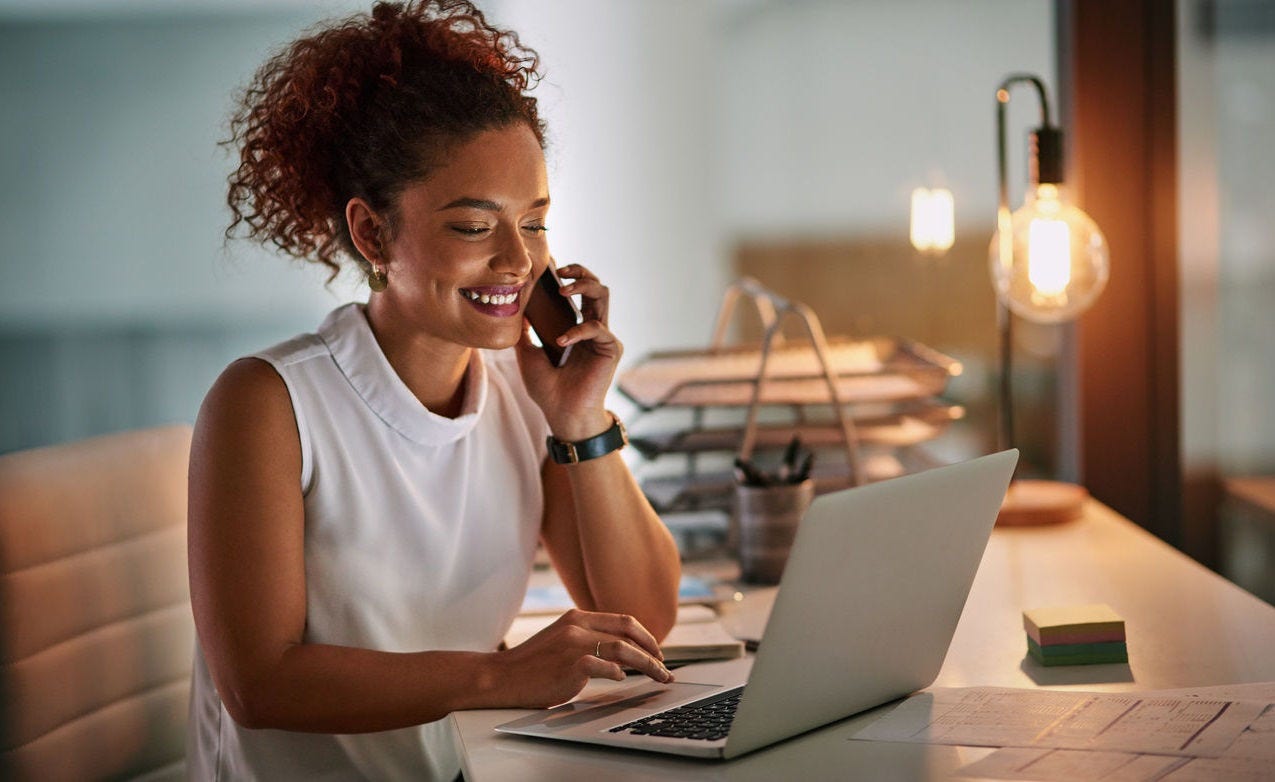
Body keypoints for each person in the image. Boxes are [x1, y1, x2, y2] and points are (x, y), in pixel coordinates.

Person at [185, 1, 681, 778]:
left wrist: (581, 421)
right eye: (475, 227)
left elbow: (643, 618)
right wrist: (501, 676)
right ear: (374, 235)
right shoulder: (268, 402)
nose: (519, 261)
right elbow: (258, 683)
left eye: (536, 222)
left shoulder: (526, 392)